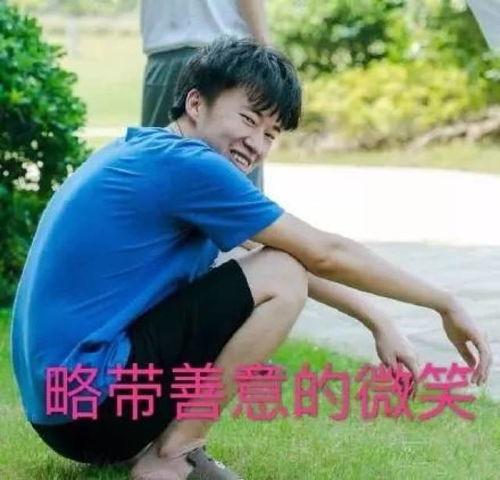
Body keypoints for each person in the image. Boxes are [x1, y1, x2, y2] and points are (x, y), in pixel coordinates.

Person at [11, 38, 491, 480]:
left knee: (279, 269)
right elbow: (321, 254)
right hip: (93, 408)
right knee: (282, 277)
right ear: (196, 103)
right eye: (248, 119)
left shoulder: (150, 152)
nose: (256, 145)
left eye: (271, 133)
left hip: (61, 409)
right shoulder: (189, 166)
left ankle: (156, 447)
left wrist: (377, 319)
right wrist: (444, 302)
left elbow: (278, 254)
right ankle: (174, 454)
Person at [140, 0, 269, 189]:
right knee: (236, 179)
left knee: (157, 171)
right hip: (227, 55)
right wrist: (266, 51)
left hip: (163, 54)